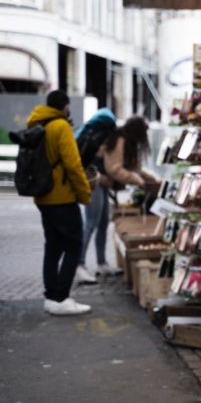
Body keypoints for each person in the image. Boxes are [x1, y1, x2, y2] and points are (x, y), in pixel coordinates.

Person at [28, 90, 92, 315]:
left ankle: (51, 297)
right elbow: (73, 165)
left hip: (43, 196)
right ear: (65, 106)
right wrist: (84, 194)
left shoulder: (39, 124)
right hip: (62, 197)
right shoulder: (61, 126)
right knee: (74, 245)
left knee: (53, 246)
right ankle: (61, 297)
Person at [77, 116, 160, 283]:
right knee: (91, 223)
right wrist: (138, 180)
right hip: (95, 180)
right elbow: (114, 169)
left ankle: (101, 263)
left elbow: (134, 168)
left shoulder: (127, 142)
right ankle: (79, 264)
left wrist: (152, 179)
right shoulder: (120, 140)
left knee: (102, 224)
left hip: (103, 182)